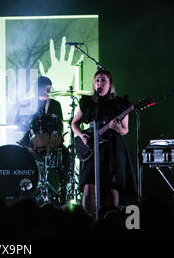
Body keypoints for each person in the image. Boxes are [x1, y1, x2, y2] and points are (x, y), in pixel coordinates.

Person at [71, 69, 137, 215]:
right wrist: (82, 135)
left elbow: (125, 130)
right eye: (97, 80)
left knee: (113, 188)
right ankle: (88, 222)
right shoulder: (88, 103)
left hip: (113, 148)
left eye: (103, 80)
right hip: (93, 149)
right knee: (88, 187)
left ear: (110, 84)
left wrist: (118, 127)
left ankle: (111, 223)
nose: (99, 83)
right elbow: (74, 123)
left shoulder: (120, 103)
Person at [17, 76, 72, 205]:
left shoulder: (55, 104)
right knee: (20, 156)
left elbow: (59, 126)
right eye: (44, 89)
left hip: (52, 144)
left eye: (49, 89)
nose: (48, 91)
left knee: (66, 154)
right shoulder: (28, 104)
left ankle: (63, 191)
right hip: (32, 144)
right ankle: (24, 192)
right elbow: (21, 126)